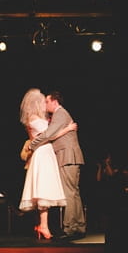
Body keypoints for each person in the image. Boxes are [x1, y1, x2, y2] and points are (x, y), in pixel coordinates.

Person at [18, 88, 77, 240]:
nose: (45, 104)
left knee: (43, 190)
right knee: (43, 191)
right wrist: (67, 129)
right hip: (43, 153)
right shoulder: (34, 119)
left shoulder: (36, 118)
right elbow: (48, 136)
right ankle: (43, 226)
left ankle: (41, 225)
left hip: (46, 153)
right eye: (42, 102)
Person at [29, 89, 86, 241]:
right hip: (68, 156)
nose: (45, 105)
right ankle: (78, 226)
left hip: (67, 156)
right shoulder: (60, 115)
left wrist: (31, 145)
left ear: (55, 101)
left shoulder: (60, 113)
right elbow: (53, 134)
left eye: (47, 101)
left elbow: (49, 134)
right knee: (73, 192)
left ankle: (70, 228)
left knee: (69, 192)